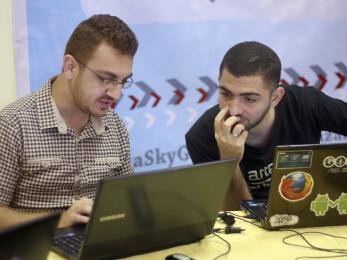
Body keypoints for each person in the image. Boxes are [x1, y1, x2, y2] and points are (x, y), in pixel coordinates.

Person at [0, 14, 138, 229]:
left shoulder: (116, 126)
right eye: (106, 79)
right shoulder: (12, 124)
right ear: (70, 66)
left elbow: (128, 200)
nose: (116, 94)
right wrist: (58, 221)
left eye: (123, 81)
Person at [185, 41, 347, 210]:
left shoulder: (306, 104)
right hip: (252, 229)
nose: (234, 110)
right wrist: (229, 162)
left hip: (311, 210)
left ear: (275, 98)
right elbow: (231, 218)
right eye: (226, 94)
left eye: (249, 99)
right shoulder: (202, 136)